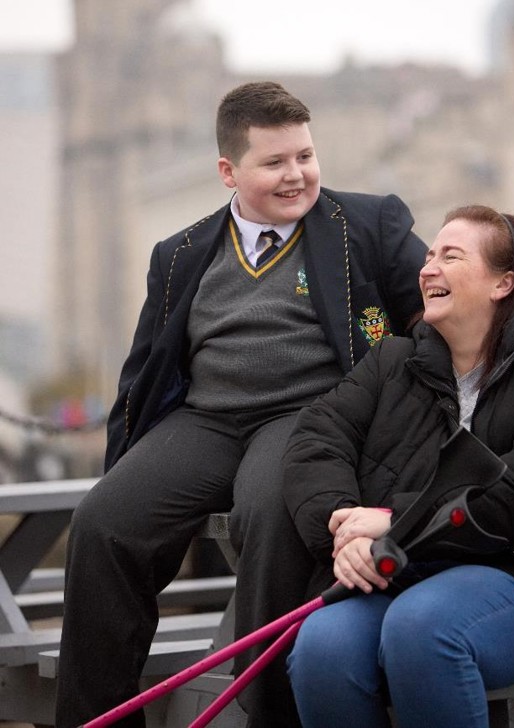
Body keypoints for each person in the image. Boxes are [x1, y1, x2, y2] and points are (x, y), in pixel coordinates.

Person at [55, 81, 427, 728]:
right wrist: (125, 464)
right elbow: (143, 373)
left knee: (269, 509)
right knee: (103, 522)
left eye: (305, 156)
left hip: (308, 415)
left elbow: (443, 299)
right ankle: (99, 719)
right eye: (274, 162)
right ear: (228, 171)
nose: (297, 175)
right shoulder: (179, 255)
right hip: (207, 419)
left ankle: (266, 711)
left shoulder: (367, 225)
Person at [282, 205, 514, 728]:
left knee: (423, 629)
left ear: (502, 283)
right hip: (397, 571)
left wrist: (396, 520)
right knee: (321, 648)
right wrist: (343, 530)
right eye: (428, 255)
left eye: (451, 255)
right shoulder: (392, 362)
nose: (428, 268)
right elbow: (314, 441)